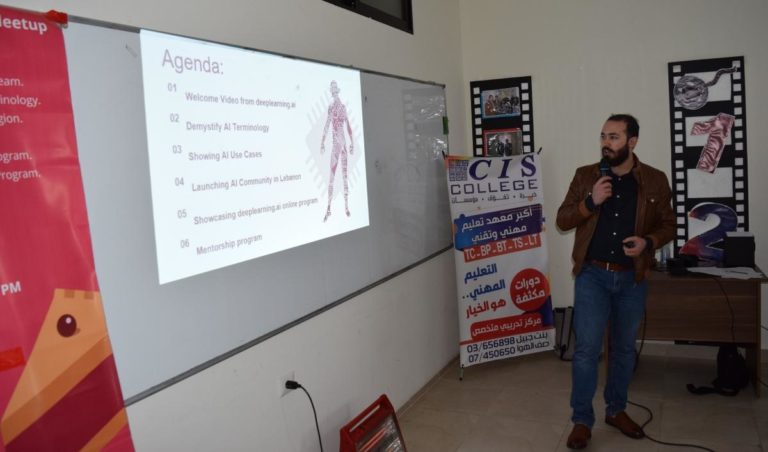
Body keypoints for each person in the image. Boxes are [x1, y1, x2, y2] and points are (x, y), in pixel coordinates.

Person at [555, 114, 674, 449]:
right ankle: (582, 420)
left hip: (631, 277)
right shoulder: (586, 176)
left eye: (614, 137)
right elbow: (563, 219)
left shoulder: (655, 180)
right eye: (603, 136)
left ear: (632, 142)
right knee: (586, 350)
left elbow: (669, 224)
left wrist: (647, 242)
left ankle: (616, 410)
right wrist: (590, 202)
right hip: (592, 275)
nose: (606, 143)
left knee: (623, 349)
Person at [320, 80, 354, 222]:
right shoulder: (332, 107)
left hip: (342, 144)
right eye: (332, 91)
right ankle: (329, 208)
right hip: (337, 145)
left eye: (334, 90)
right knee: (332, 177)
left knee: (343, 176)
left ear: (336, 92)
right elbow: (327, 125)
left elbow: (348, 126)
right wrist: (322, 142)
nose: (333, 93)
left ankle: (345, 206)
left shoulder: (341, 108)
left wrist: (352, 143)